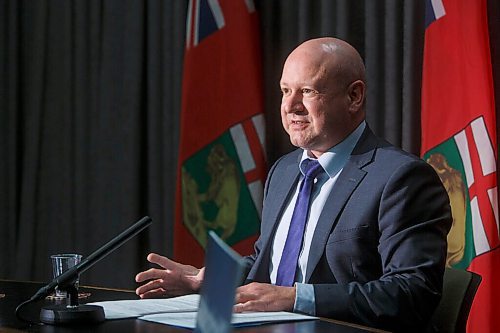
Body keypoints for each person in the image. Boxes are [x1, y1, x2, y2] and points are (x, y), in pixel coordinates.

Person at [135, 37, 452, 332]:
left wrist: (294, 298)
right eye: (286, 91)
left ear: (354, 96)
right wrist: (210, 281)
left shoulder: (401, 178)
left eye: (308, 91)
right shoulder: (285, 170)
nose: (291, 105)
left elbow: (412, 293)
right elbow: (268, 266)